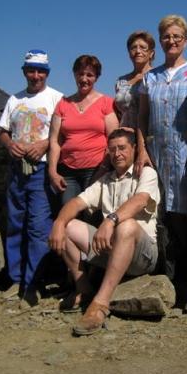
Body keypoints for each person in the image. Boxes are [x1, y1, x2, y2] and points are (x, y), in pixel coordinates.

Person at [48, 128, 160, 336]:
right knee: (68, 226)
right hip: (112, 250)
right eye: (112, 149)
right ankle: (84, 289)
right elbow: (77, 202)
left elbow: (140, 200)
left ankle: (100, 304)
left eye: (122, 148)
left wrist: (110, 220)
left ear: (134, 149)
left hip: (142, 255)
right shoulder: (106, 180)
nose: (117, 154)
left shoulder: (146, 173)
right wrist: (59, 222)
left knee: (126, 226)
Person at [136, 14, 187, 284]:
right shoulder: (150, 77)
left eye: (176, 36)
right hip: (158, 156)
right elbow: (142, 118)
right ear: (160, 41)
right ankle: (170, 277)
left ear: (185, 40)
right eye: (166, 36)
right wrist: (141, 151)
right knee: (163, 215)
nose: (171, 41)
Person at [0, 49, 63, 302]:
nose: (36, 76)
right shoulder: (14, 100)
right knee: (15, 224)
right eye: (31, 71)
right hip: (17, 170)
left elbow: (64, 133)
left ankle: (34, 281)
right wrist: (9, 144)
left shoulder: (56, 98)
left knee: (38, 226)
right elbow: (3, 131)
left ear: (47, 73)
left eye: (40, 71)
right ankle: (16, 280)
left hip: (40, 170)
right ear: (24, 72)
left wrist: (44, 144)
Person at [48, 55, 119, 207]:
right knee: (68, 211)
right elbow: (54, 141)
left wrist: (103, 170)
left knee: (91, 213)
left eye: (89, 75)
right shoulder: (63, 104)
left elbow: (113, 140)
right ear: (74, 75)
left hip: (96, 169)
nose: (84, 79)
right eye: (80, 74)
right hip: (68, 172)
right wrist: (52, 171)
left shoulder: (106, 103)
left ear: (96, 78)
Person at [114, 31, 155, 129]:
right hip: (126, 134)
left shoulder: (158, 77)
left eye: (143, 47)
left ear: (151, 53)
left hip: (150, 133)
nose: (138, 51)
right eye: (133, 48)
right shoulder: (121, 81)